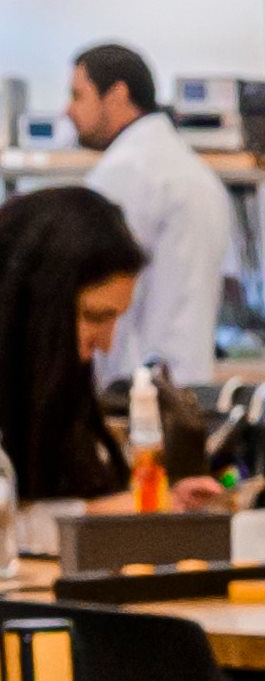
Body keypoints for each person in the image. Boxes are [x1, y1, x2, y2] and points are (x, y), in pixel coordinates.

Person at [66, 42, 228, 385]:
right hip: (186, 379)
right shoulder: (194, 172)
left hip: (134, 385)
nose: (67, 110)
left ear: (117, 94)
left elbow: (94, 294)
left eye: (78, 96)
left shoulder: (125, 175)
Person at [0, 184, 148, 508]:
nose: (106, 344)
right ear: (35, 306)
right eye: (95, 316)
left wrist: (153, 505)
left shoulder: (51, 390)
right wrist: (97, 515)